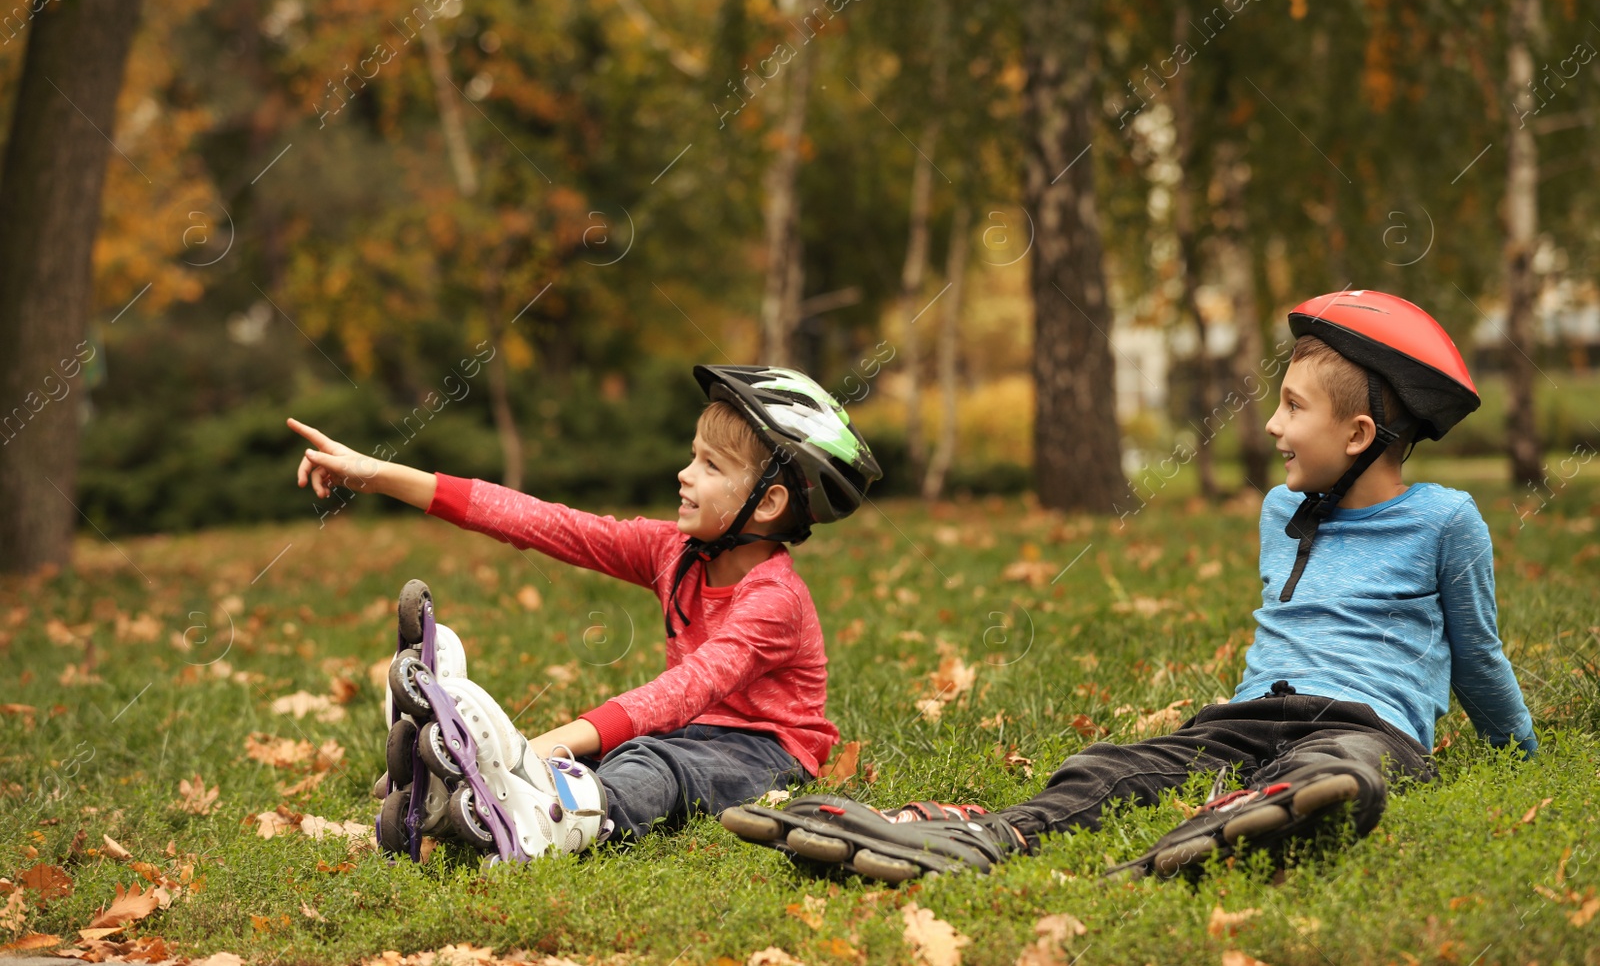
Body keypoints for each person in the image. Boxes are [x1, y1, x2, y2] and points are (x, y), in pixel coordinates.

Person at [722, 291, 1538, 884]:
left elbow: (1479, 654)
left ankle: (1258, 813)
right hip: (1251, 716)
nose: (1272, 426)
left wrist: (1518, 754)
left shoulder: (1446, 521)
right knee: (1114, 763)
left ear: (1359, 435)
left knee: (1348, 760)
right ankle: (980, 833)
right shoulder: (1279, 508)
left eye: (1293, 408)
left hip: (1371, 724)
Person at [288, 365, 881, 862]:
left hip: (767, 753)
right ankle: (457, 794)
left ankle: (555, 820)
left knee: (653, 759)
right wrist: (381, 474)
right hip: (693, 733)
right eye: (692, 456)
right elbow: (544, 523)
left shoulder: (775, 600)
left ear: (769, 501)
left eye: (711, 466)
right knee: (620, 752)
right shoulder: (674, 553)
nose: (685, 473)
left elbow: (682, 691)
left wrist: (544, 744)